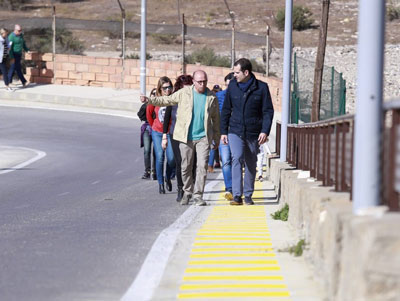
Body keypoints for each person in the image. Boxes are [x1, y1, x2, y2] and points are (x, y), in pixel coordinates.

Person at [141, 70, 220, 206]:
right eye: (200, 81)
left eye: (205, 81)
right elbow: (167, 100)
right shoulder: (184, 93)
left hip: (203, 137)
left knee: (201, 167)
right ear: (194, 82)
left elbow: (216, 119)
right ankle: (187, 191)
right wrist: (150, 100)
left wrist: (216, 138)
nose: (202, 84)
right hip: (185, 137)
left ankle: (198, 195)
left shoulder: (211, 97)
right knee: (185, 167)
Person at [220, 58, 274, 205]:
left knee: (251, 162)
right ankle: (237, 195)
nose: (234, 75)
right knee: (236, 157)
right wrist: (223, 131)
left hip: (254, 132)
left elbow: (268, 111)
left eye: (237, 72)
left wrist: (265, 131)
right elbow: (226, 109)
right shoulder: (232, 86)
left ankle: (248, 194)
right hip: (235, 130)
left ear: (246, 72)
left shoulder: (261, 88)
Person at [162, 74, 193, 202]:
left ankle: (191, 188)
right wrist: (164, 136)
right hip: (175, 134)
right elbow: (167, 118)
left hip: (191, 134)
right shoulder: (173, 99)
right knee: (180, 162)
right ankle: (181, 189)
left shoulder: (195, 99)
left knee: (192, 163)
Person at [146, 77, 176, 194]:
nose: (167, 90)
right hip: (157, 132)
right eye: (165, 88)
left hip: (170, 133)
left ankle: (167, 176)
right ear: (160, 88)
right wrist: (154, 125)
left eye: (169, 87)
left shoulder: (173, 99)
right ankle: (160, 183)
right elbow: (149, 115)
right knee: (159, 158)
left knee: (172, 159)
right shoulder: (155, 100)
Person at [214, 72, 234, 200]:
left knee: (237, 161)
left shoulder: (241, 96)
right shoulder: (219, 96)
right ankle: (229, 188)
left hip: (239, 133)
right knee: (226, 161)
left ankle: (237, 187)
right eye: (226, 85)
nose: (228, 88)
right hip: (224, 134)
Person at [137, 88, 157, 180]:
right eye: (153, 93)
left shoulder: (161, 105)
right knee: (147, 150)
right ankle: (147, 171)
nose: (155, 95)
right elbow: (140, 114)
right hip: (147, 129)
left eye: (157, 93)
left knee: (156, 152)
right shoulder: (147, 104)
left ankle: (155, 171)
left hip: (157, 130)